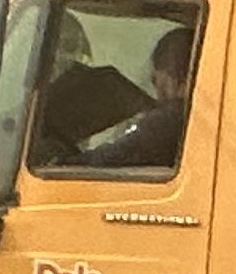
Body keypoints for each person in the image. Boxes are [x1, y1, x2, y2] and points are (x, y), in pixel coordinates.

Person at [73, 25, 198, 173]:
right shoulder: (205, 118)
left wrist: (61, 163)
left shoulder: (169, 121)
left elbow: (110, 159)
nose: (157, 89)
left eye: (154, 79)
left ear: (170, 75)